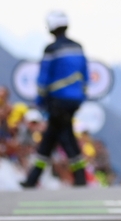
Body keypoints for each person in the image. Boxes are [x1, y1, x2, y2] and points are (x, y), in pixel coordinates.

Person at [21, 11, 89, 188]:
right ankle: (32, 179)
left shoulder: (51, 50)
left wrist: (40, 100)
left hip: (57, 102)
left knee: (66, 138)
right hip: (74, 101)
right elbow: (85, 74)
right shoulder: (78, 47)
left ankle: (80, 178)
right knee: (51, 138)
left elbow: (43, 78)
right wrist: (81, 97)